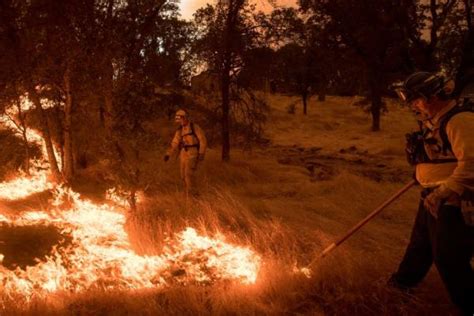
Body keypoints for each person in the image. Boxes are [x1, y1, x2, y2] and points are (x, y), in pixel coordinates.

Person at [390, 71, 474, 315]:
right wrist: (421, 176)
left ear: (433, 95)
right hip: (433, 196)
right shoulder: (435, 121)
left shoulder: (460, 120)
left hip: (455, 201)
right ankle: (396, 291)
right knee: (419, 250)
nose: (413, 105)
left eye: (416, 99)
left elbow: (471, 164)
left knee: (449, 259)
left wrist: (442, 192)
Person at [164, 109, 207, 197]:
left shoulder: (194, 127)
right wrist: (168, 154)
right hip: (183, 153)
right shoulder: (180, 130)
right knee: (183, 175)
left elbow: (202, 140)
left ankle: (194, 195)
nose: (180, 121)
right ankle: (188, 192)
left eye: (181, 119)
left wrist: (201, 153)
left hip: (193, 152)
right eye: (178, 120)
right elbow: (175, 143)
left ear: (185, 118)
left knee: (189, 174)